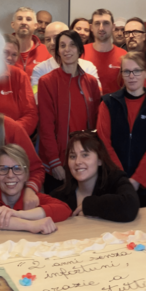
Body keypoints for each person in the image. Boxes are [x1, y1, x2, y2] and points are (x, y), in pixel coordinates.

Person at [96, 53, 146, 206]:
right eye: (127, 71)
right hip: (113, 182)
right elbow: (103, 142)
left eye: (137, 71)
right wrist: (121, 178)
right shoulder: (108, 103)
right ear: (121, 74)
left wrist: (137, 180)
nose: (131, 76)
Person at [37, 30, 102, 187]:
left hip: (85, 160)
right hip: (59, 160)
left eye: (72, 45)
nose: (67, 50)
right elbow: (46, 126)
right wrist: (54, 162)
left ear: (79, 49)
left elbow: (97, 122)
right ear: (58, 51)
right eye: (63, 45)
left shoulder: (91, 82)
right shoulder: (47, 82)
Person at [0, 144, 70, 233]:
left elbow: (64, 209)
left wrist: (18, 214)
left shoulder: (33, 199)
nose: (10, 175)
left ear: (26, 175)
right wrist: (30, 225)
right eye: (3, 169)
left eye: (17, 168)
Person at [47, 132, 139, 222]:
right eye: (72, 156)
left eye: (85, 155)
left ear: (100, 160)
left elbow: (130, 206)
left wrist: (88, 205)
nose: (77, 162)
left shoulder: (115, 179)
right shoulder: (59, 195)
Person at [30, 21, 99, 92]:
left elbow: (96, 95)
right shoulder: (39, 70)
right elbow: (37, 96)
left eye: (56, 38)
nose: (52, 43)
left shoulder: (88, 67)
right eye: (48, 39)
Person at [81, 9, 126, 95]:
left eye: (106, 23)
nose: (101, 28)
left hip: (114, 103)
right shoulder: (80, 52)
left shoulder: (123, 55)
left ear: (113, 27)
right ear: (91, 27)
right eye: (97, 23)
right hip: (86, 103)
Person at [11, 6, 48, 73]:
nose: (24, 22)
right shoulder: (1, 50)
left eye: (28, 19)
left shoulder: (46, 52)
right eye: (20, 19)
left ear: (35, 25)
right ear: (13, 24)